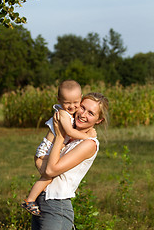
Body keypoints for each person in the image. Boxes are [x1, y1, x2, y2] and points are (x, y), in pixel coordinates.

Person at [32, 92, 109, 230]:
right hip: (41, 201)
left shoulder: (89, 144)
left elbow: (49, 170)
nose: (83, 114)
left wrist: (60, 135)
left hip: (57, 205)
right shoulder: (70, 134)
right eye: (82, 107)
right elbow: (39, 158)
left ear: (99, 120)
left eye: (91, 113)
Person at [21, 80, 96, 216]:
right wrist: (88, 137)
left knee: (49, 174)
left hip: (49, 151)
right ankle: (30, 200)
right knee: (49, 175)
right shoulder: (62, 114)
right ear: (59, 100)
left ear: (81, 98)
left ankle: (34, 199)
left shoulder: (71, 114)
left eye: (75, 102)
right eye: (67, 103)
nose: (72, 106)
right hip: (44, 152)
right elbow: (70, 132)